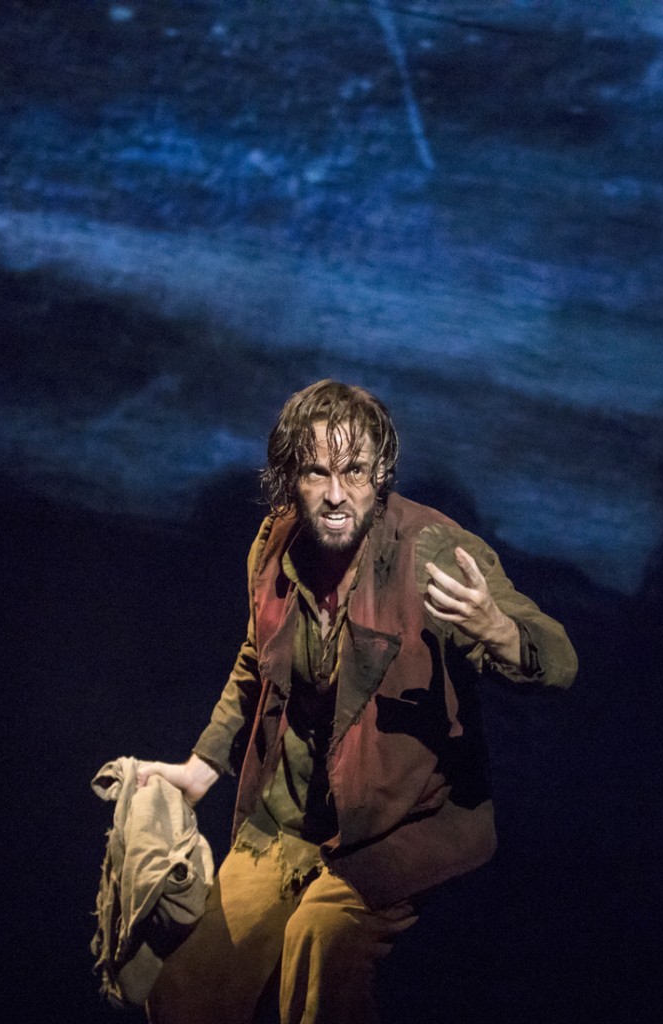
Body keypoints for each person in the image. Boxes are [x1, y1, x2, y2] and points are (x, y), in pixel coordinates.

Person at [136, 379, 578, 1024]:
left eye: (355, 472)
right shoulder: (274, 545)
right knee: (185, 987)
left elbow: (558, 662)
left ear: (381, 475)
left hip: (401, 825)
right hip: (290, 819)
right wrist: (201, 767)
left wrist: (498, 630)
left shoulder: (430, 550)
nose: (337, 494)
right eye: (317, 472)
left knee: (320, 939)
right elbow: (256, 661)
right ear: (290, 478)